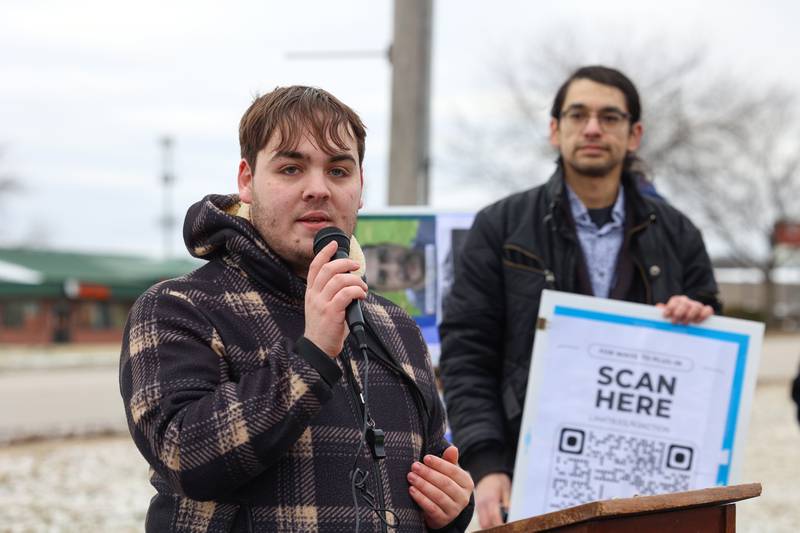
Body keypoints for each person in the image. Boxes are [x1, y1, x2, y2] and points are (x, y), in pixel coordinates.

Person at [119, 86, 473, 532]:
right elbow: (183, 455)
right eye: (291, 168)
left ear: (360, 187)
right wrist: (312, 357)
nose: (318, 190)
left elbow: (431, 470)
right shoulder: (177, 308)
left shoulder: (395, 325)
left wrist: (452, 506)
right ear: (247, 181)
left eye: (339, 171)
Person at [438, 65, 721, 529]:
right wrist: (486, 464)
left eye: (610, 117)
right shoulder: (500, 226)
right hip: (531, 472)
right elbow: (468, 354)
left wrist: (699, 319)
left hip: (651, 480)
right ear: (555, 129)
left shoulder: (679, 234)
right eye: (578, 115)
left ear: (634, 135)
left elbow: (710, 362)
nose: (593, 128)